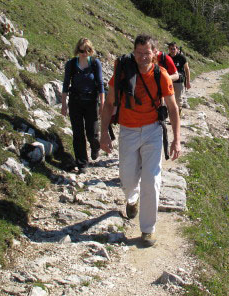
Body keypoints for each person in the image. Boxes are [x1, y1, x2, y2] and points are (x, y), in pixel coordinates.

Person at [100, 34, 181, 247]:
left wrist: (177, 140)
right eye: (139, 53)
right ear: (134, 53)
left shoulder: (161, 75)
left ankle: (148, 229)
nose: (143, 57)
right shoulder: (123, 72)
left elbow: (173, 108)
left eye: (147, 53)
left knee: (151, 179)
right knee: (127, 177)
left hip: (153, 130)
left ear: (155, 54)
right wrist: (103, 133)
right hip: (128, 130)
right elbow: (108, 104)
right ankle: (132, 198)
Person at [61, 38, 104, 171]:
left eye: (88, 50)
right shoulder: (71, 64)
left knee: (92, 133)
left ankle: (95, 146)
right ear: (77, 50)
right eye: (82, 50)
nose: (85, 53)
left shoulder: (95, 63)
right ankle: (82, 163)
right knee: (78, 133)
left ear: (91, 50)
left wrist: (102, 103)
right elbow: (66, 84)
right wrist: (64, 104)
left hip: (91, 102)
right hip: (75, 102)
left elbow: (101, 84)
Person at [167, 42, 190, 111]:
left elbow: (187, 69)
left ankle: (178, 117)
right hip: (169, 81)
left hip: (179, 81)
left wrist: (188, 82)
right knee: (169, 100)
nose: (172, 50)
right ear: (169, 49)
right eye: (171, 49)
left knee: (178, 100)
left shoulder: (181, 57)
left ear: (176, 49)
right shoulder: (167, 58)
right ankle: (170, 116)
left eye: (174, 49)